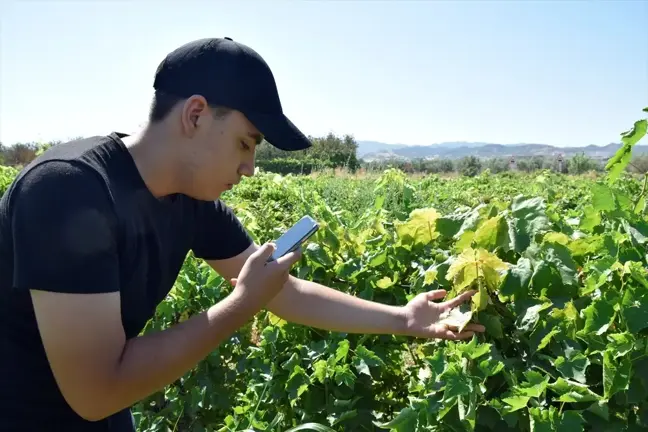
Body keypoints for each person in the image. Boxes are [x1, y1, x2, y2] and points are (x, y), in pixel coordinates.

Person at [0, 37, 485, 431]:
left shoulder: (192, 201)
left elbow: (283, 291)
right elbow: (94, 390)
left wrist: (404, 318)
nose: (250, 168)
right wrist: (239, 306)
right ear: (194, 115)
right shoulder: (67, 190)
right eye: (245, 143)